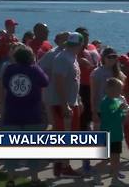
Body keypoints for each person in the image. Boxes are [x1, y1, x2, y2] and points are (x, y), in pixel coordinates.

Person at [1, 45, 49, 187]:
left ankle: (10, 179)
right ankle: (34, 178)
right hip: (32, 115)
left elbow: (4, 86)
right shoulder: (34, 69)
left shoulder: (10, 70)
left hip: (12, 114)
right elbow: (45, 82)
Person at [51, 32, 84, 178]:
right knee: (66, 136)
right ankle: (65, 166)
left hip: (72, 101)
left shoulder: (72, 57)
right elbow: (59, 82)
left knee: (70, 135)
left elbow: (74, 81)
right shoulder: (63, 58)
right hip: (64, 103)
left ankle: (60, 163)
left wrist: (79, 99)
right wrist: (65, 105)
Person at [93, 78, 129, 187]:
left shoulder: (117, 101)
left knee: (116, 158)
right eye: (118, 89)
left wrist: (125, 113)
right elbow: (108, 118)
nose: (120, 92)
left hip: (117, 134)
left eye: (120, 89)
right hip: (108, 134)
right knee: (107, 159)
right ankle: (97, 171)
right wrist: (120, 110)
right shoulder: (105, 102)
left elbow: (120, 118)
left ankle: (114, 180)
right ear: (109, 89)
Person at [38, 31, 69, 128]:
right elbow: (39, 68)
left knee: (63, 123)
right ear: (58, 41)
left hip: (65, 93)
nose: (67, 41)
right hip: (52, 93)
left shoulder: (69, 54)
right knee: (55, 123)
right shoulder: (52, 54)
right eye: (65, 38)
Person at [90, 47, 126, 130]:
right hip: (101, 109)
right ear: (103, 58)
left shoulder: (119, 73)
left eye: (114, 57)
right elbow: (93, 94)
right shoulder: (97, 72)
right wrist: (94, 112)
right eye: (109, 57)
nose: (112, 59)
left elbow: (122, 93)